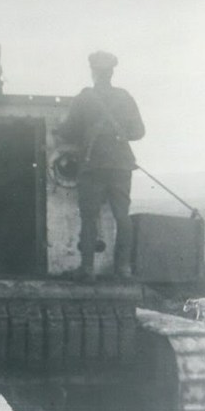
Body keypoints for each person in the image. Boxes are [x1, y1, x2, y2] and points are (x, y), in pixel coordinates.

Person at [54, 51, 145, 281]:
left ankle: (87, 270)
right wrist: (118, 133)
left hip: (93, 165)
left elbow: (69, 132)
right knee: (122, 216)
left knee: (89, 217)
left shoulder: (84, 98)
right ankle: (123, 269)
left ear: (93, 72)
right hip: (121, 166)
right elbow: (139, 132)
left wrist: (60, 130)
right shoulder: (125, 97)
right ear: (112, 72)